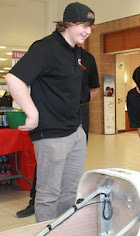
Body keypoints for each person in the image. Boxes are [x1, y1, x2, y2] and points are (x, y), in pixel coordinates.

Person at [5, 2, 95, 222]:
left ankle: (63, 229)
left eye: (91, 26)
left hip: (75, 132)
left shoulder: (77, 53)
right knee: (48, 194)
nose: (88, 31)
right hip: (51, 135)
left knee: (69, 192)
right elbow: (13, 78)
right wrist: (32, 113)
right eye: (83, 25)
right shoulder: (45, 48)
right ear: (67, 24)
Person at [15, 47, 100, 218]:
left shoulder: (88, 59)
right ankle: (35, 202)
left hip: (78, 113)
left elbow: (93, 88)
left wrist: (77, 102)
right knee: (48, 168)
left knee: (72, 172)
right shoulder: (49, 50)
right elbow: (17, 79)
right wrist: (32, 112)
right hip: (51, 119)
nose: (86, 32)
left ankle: (65, 220)